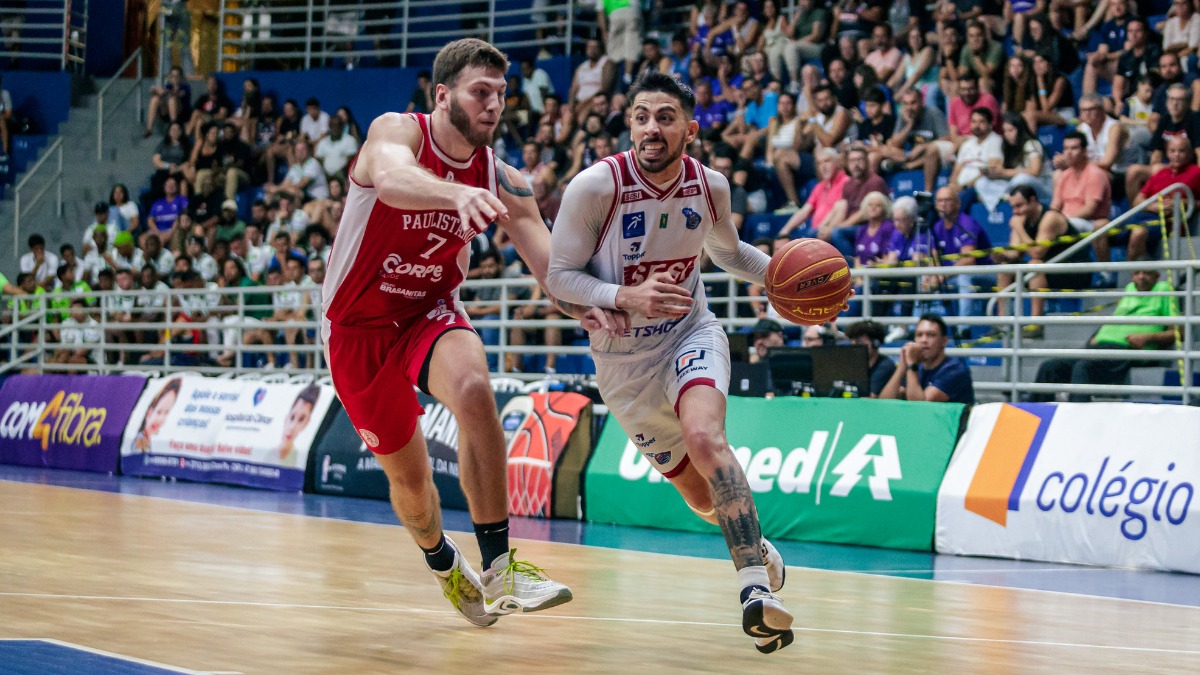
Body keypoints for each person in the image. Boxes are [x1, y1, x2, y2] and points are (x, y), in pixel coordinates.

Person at [321, 39, 578, 628]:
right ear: (442, 95)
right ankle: (442, 561)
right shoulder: (398, 132)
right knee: (412, 488)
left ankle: (500, 567)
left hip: (426, 312)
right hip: (358, 330)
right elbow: (390, 180)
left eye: (501, 95)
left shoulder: (504, 180)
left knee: (473, 390)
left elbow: (555, 276)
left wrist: (611, 304)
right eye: (480, 92)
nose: (494, 105)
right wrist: (454, 191)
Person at [546, 72, 795, 654]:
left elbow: (727, 252)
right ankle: (754, 547)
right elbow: (558, 279)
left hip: (690, 332)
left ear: (690, 127)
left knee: (707, 439)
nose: (651, 128)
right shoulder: (594, 187)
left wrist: (786, 281)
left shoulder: (710, 187)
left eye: (664, 116)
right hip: (622, 364)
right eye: (641, 116)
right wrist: (620, 297)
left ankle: (755, 594)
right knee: (700, 496)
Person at [1029, 266, 1179, 402]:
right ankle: (1034, 419)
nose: (1141, 276)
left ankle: (1078, 419)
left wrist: (1147, 338)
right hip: (1100, 347)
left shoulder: (1164, 289)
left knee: (1084, 367)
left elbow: (1178, 332)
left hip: (1127, 351)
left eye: (1146, 272)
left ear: (1157, 276)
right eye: (1137, 273)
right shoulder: (1130, 289)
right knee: (1050, 367)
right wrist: (1096, 336)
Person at [880, 313, 975, 404]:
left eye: (931, 335)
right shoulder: (917, 368)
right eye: (919, 335)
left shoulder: (954, 370)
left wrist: (911, 364)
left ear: (944, 341)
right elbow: (884, 402)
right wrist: (902, 366)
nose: (923, 340)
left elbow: (921, 407)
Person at [844, 320, 895, 397]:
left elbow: (870, 396)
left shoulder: (885, 366)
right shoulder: (853, 365)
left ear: (875, 344)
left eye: (859, 342)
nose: (854, 346)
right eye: (852, 342)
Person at [133, 378, 182, 453]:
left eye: (167, 413)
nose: (161, 419)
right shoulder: (139, 442)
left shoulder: (154, 441)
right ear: (149, 412)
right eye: (159, 412)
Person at [278, 384, 320, 466]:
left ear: (307, 423)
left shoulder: (300, 460)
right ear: (286, 417)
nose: (292, 427)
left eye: (301, 419)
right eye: (292, 417)